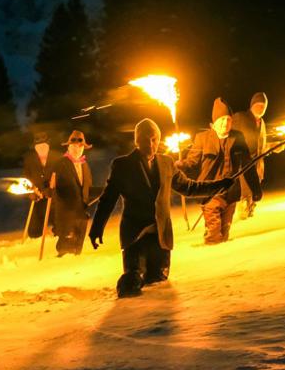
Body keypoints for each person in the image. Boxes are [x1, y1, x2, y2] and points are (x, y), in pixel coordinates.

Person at [89, 119, 234, 297]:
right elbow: (108, 199)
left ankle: (158, 322)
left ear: (159, 140)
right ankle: (127, 316)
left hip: (161, 236)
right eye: (144, 139)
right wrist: (97, 227)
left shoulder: (166, 163)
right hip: (136, 236)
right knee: (133, 279)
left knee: (158, 284)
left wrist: (220, 185)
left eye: (154, 139)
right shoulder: (123, 165)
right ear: (136, 140)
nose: (150, 144)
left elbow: (189, 188)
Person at [177, 97, 261, 245]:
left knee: (225, 234)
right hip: (210, 192)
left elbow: (248, 164)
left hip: (231, 192)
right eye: (221, 120)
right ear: (213, 123)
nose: (225, 124)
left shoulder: (238, 137)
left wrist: (255, 188)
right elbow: (192, 162)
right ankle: (210, 245)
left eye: (228, 120)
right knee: (214, 236)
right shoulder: (202, 138)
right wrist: (180, 165)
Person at [49, 130, 94, 256]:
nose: (77, 148)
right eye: (74, 146)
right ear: (68, 146)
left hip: (81, 216)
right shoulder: (60, 164)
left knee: (77, 253)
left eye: (80, 146)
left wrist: (107, 190)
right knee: (64, 250)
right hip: (66, 216)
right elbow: (57, 192)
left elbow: (88, 189)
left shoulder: (85, 165)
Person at [231, 92, 269, 218]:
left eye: (263, 106)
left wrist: (280, 145)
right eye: (258, 105)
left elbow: (262, 145)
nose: (260, 108)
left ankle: (250, 208)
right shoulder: (240, 117)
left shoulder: (262, 122)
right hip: (244, 162)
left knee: (254, 189)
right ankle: (243, 209)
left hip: (257, 164)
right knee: (244, 188)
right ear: (251, 105)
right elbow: (230, 135)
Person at [21, 131, 60, 238]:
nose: (41, 148)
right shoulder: (30, 160)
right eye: (38, 146)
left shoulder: (58, 158)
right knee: (34, 233)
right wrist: (30, 192)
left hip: (56, 201)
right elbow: (26, 179)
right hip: (39, 200)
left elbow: (65, 179)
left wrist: (53, 190)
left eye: (44, 145)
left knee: (61, 229)